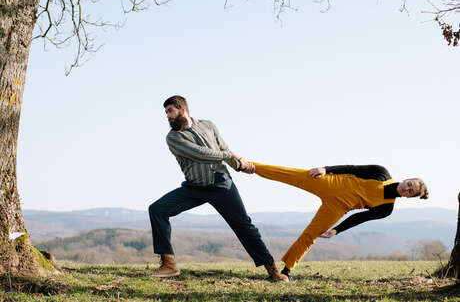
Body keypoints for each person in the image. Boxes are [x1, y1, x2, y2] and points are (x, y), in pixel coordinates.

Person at [148, 96, 288, 282]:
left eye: (170, 111)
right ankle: (169, 264)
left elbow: (223, 147)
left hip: (221, 184)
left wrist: (239, 165)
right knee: (157, 209)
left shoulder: (208, 125)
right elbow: (200, 153)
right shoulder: (173, 137)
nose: (167, 116)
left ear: (182, 109)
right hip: (194, 187)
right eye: (166, 113)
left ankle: (272, 270)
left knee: (244, 226)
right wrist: (229, 155)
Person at [242, 162, 429, 280]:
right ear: (407, 179)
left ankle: (287, 270)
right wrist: (325, 169)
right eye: (410, 184)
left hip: (338, 208)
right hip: (332, 182)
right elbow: (352, 168)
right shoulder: (381, 172)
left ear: (409, 197)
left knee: (311, 234)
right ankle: (250, 165)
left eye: (411, 192)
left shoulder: (386, 208)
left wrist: (337, 230)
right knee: (293, 175)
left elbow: (359, 217)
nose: (407, 189)